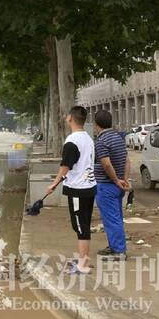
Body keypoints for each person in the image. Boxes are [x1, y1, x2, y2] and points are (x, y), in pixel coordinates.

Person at [47, 106, 97, 274]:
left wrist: (54, 183)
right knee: (83, 224)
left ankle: (82, 266)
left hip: (78, 189)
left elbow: (66, 166)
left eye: (66, 115)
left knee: (81, 227)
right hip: (89, 187)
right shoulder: (88, 138)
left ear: (70, 118)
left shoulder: (72, 141)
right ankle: (84, 259)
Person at [93, 110, 130, 261]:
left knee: (111, 219)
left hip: (107, 185)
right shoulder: (118, 137)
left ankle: (119, 251)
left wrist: (115, 180)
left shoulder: (101, 141)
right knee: (115, 218)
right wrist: (124, 180)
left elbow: (106, 164)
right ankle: (114, 246)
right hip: (118, 185)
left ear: (96, 124)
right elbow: (127, 161)